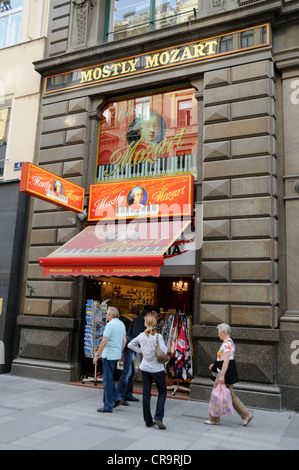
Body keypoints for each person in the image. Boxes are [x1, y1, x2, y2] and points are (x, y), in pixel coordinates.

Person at [204, 323, 253, 426]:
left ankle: (214, 419)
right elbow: (224, 359)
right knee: (230, 396)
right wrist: (214, 365)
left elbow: (226, 361)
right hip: (225, 372)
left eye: (219, 333)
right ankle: (246, 415)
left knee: (216, 395)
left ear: (223, 332)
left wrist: (221, 375)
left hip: (223, 373)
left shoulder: (227, 344)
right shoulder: (229, 343)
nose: (218, 335)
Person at [128, 314, 168, 430]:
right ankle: (158, 416)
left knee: (146, 393)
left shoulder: (141, 336)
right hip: (157, 368)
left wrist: (141, 350)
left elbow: (130, 345)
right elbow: (164, 350)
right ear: (155, 324)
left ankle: (147, 420)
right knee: (162, 392)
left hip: (145, 367)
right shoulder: (158, 336)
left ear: (145, 324)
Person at [93, 306, 126, 413]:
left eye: (107, 313)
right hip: (116, 354)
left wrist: (97, 355)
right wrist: (119, 350)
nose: (106, 315)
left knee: (107, 380)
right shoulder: (121, 324)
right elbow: (124, 340)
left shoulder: (110, 325)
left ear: (111, 315)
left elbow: (104, 341)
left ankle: (108, 405)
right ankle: (115, 398)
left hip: (108, 355)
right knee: (109, 378)